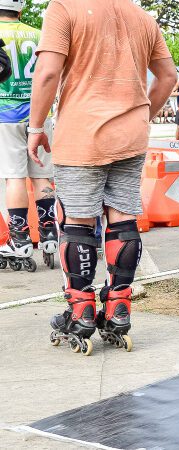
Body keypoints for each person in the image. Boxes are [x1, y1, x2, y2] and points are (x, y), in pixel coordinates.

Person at [29, 0, 176, 354]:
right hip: (131, 136)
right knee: (123, 217)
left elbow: (48, 72)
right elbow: (168, 76)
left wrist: (36, 126)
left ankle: (80, 311)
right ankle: (119, 308)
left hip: (83, 134)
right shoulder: (141, 16)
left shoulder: (64, 8)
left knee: (78, 222)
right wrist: (142, 114)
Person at [0, 0, 57, 270]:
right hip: (38, 114)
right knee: (41, 175)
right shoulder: (38, 34)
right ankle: (48, 230)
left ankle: (20, 237)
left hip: (5, 113)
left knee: (14, 178)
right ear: (20, 9)